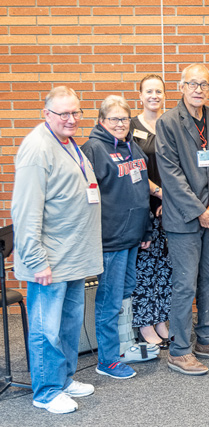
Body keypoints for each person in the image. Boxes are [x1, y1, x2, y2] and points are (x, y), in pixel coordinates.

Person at [12, 87, 102, 413]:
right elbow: (25, 211)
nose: (71, 119)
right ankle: (46, 392)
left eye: (76, 112)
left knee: (67, 325)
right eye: (63, 113)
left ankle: (63, 379)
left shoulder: (67, 142)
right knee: (45, 328)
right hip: (48, 261)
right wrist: (37, 260)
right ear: (46, 114)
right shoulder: (37, 149)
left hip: (73, 258)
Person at [156, 63, 209, 375]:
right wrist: (200, 210)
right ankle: (178, 350)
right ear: (181, 87)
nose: (198, 89)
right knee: (185, 286)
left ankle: (205, 339)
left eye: (204, 84)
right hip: (184, 219)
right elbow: (171, 174)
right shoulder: (168, 122)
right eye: (192, 83)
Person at [81, 95, 153, 379]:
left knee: (125, 293)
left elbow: (139, 192)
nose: (120, 124)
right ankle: (107, 360)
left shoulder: (132, 147)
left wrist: (145, 229)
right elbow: (87, 198)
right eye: (114, 119)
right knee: (109, 300)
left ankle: (122, 348)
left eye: (124, 118)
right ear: (101, 121)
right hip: (110, 240)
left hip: (133, 237)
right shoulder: (93, 150)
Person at [130, 74, 173, 349]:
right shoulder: (131, 127)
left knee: (166, 267)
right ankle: (145, 323)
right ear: (141, 95)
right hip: (145, 207)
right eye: (149, 91)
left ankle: (161, 320)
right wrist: (159, 194)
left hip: (170, 209)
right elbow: (133, 168)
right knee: (144, 269)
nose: (154, 95)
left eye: (158, 91)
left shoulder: (169, 125)